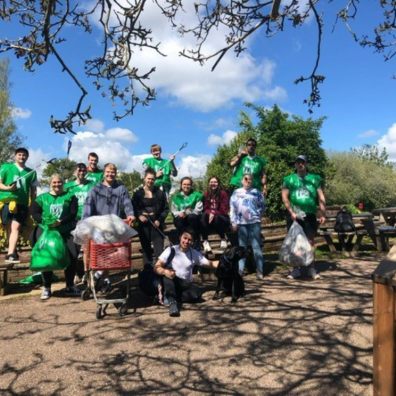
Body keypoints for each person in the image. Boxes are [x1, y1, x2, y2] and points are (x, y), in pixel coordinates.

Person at [83, 163, 135, 290]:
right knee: (100, 252)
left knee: (115, 251)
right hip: (98, 226)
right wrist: (85, 220)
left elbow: (127, 202)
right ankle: (103, 278)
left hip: (114, 226)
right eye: (107, 172)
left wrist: (130, 214)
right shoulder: (95, 189)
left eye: (113, 172)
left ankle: (100, 275)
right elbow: (88, 205)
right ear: (103, 173)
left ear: (116, 173)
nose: (110, 174)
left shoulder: (121, 188)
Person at [30, 174, 80, 300]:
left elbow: (73, 213)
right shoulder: (42, 198)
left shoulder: (70, 196)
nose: (57, 184)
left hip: (66, 230)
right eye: (54, 182)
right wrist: (45, 220)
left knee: (72, 256)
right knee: (47, 258)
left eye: (59, 182)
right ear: (50, 183)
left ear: (63, 183)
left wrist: (61, 221)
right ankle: (46, 287)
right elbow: (34, 211)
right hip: (48, 232)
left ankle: (69, 285)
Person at [281, 155, 326, 280]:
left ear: (306, 164)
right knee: (295, 242)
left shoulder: (314, 179)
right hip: (294, 215)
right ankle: (296, 269)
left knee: (310, 241)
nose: (300, 165)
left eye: (303, 162)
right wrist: (291, 211)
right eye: (298, 162)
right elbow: (284, 197)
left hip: (310, 214)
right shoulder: (288, 179)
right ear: (295, 165)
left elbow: (321, 197)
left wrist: (322, 213)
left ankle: (311, 267)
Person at [154, 229, 218, 317]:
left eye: (189, 240)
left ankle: (166, 297)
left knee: (196, 295)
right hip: (171, 280)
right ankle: (172, 303)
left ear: (192, 242)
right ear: (180, 237)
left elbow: (210, 264)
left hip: (184, 284)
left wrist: (225, 261)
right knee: (169, 274)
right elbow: (156, 267)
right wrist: (165, 271)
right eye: (185, 238)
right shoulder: (171, 250)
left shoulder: (194, 253)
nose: (186, 241)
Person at [0, 147, 37, 264]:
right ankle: (12, 250)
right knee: (8, 228)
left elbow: (33, 190)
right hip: (5, 202)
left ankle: (10, 254)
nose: (22, 157)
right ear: (15, 156)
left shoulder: (31, 172)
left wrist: (32, 205)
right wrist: (8, 188)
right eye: (20, 155)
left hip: (21, 203)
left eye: (24, 155)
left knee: (15, 227)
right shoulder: (6, 167)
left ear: (27, 157)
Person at [230, 173, 265, 279]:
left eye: (250, 179)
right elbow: (232, 208)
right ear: (242, 181)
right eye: (245, 179)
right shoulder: (236, 193)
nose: (248, 181)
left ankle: (260, 271)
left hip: (254, 223)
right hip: (241, 223)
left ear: (252, 181)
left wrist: (257, 215)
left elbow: (263, 206)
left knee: (256, 247)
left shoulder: (257, 192)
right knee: (242, 248)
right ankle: (240, 271)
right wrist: (233, 222)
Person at [132, 168, 169, 266]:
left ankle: (159, 275)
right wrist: (139, 215)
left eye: (152, 179)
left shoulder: (160, 193)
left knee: (159, 252)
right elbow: (133, 208)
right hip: (143, 225)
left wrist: (160, 220)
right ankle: (148, 274)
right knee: (146, 251)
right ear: (144, 179)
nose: (150, 181)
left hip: (156, 225)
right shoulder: (138, 194)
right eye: (148, 178)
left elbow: (166, 209)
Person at [170, 177, 203, 247]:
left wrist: (186, 213)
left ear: (191, 185)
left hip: (193, 220)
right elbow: (173, 211)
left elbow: (198, 210)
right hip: (181, 220)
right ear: (181, 185)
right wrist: (180, 213)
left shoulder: (197, 195)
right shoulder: (176, 197)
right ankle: (182, 241)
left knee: (192, 217)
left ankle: (195, 240)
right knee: (179, 219)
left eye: (188, 184)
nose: (186, 186)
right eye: (184, 184)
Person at [200, 176, 230, 253]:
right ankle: (205, 241)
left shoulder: (223, 193)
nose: (213, 183)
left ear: (218, 183)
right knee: (203, 216)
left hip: (222, 218)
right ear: (209, 183)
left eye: (215, 182)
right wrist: (210, 212)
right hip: (210, 219)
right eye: (211, 182)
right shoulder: (206, 193)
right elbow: (205, 208)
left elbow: (224, 210)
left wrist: (213, 212)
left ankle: (223, 238)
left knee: (217, 217)